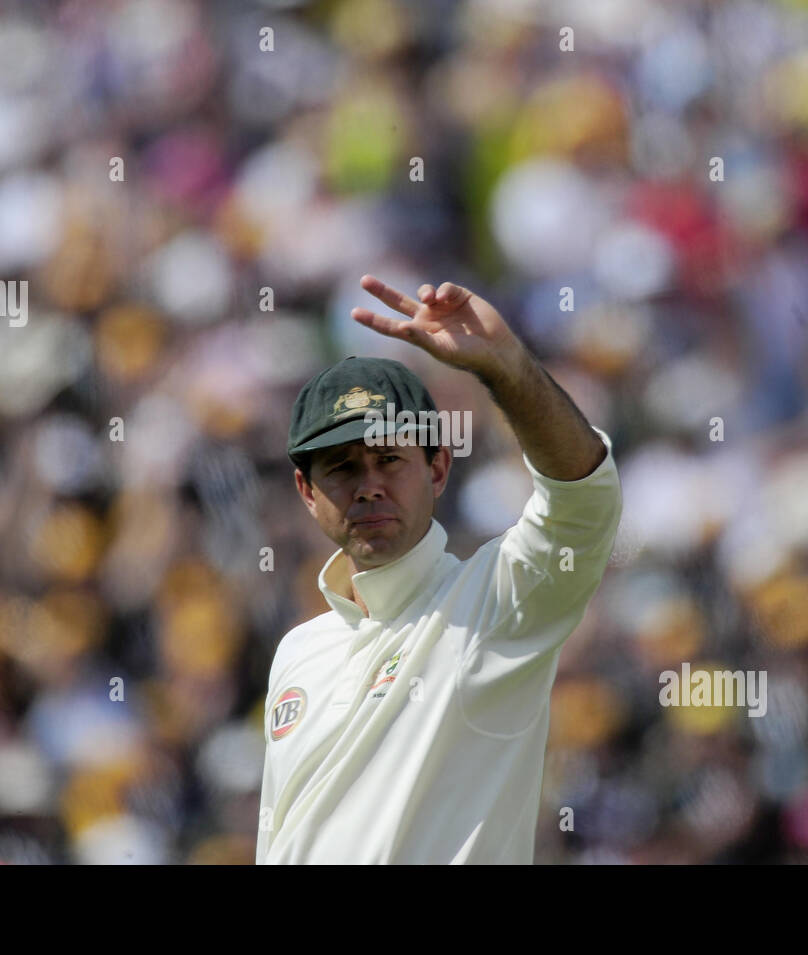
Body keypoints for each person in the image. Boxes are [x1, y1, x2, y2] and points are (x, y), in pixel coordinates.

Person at [255, 275, 622, 863]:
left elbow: (583, 502)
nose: (369, 487)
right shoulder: (298, 651)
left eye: (389, 460)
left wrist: (506, 369)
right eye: (343, 467)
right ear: (306, 490)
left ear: (438, 469)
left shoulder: (493, 604)